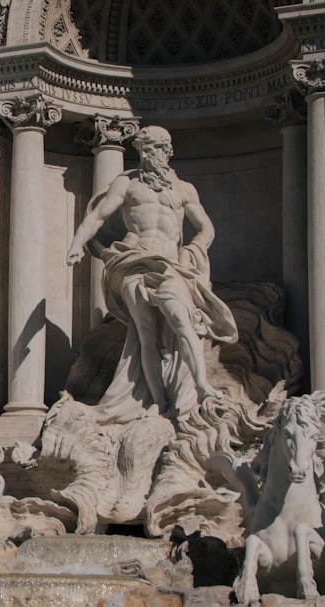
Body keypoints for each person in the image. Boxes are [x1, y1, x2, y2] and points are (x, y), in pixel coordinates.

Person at [66, 125, 237, 420]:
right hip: (134, 261)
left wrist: (193, 248)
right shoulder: (127, 184)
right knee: (144, 333)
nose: (149, 155)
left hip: (170, 264)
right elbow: (98, 216)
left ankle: (200, 385)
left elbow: (206, 227)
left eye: (155, 148)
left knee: (181, 320)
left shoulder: (184, 189)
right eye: (144, 150)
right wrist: (76, 244)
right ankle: (157, 401)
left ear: (167, 151)